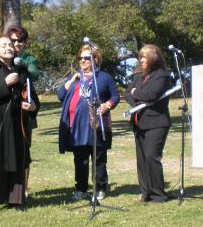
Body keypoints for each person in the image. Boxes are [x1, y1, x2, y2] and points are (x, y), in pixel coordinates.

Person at [0, 35, 39, 214]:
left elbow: (32, 95)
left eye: (11, 45)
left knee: (17, 157)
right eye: (4, 45)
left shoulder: (21, 69)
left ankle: (16, 200)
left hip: (18, 121)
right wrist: (5, 83)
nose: (9, 47)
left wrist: (33, 106)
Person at [57, 44, 119, 201]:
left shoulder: (104, 77)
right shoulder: (75, 78)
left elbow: (115, 96)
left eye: (87, 58)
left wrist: (107, 105)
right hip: (77, 126)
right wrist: (71, 79)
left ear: (95, 59)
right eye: (80, 58)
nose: (83, 60)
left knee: (99, 158)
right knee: (80, 160)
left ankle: (100, 188)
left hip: (97, 125)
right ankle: (81, 189)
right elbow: (60, 95)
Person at [125, 45, 171, 203]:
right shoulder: (138, 76)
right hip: (139, 122)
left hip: (156, 122)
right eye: (140, 57)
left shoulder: (162, 75)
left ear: (154, 58)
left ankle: (158, 194)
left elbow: (151, 95)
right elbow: (127, 93)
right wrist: (137, 101)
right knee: (142, 159)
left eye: (144, 57)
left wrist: (135, 93)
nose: (141, 60)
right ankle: (145, 193)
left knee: (151, 156)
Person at [5, 24, 39, 196]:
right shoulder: (2, 59)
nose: (17, 44)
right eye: (13, 40)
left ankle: (24, 189)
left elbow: (34, 74)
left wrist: (20, 62)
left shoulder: (29, 60)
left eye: (20, 41)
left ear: (25, 43)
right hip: (5, 113)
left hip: (24, 113)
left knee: (24, 152)